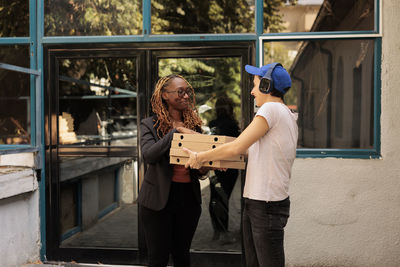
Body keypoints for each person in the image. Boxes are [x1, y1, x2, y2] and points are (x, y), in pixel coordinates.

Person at [184, 63, 298, 267]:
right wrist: (220, 158)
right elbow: (248, 151)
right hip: (259, 202)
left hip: (266, 204)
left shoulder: (270, 109)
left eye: (255, 85)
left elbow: (237, 146)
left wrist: (200, 158)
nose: (252, 92)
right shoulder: (284, 114)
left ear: (266, 86)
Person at [138, 74, 207, 267]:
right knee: (158, 259)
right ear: (165, 95)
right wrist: (175, 133)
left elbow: (200, 168)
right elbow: (149, 155)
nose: (186, 96)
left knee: (182, 256)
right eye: (180, 91)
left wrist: (207, 166)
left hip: (188, 199)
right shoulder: (149, 125)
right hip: (157, 201)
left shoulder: (195, 126)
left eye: (188, 91)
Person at [208, 96, 240, 243]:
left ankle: (217, 231)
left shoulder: (212, 124)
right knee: (225, 198)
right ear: (231, 108)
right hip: (231, 166)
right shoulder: (233, 125)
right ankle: (224, 232)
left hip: (215, 164)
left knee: (214, 197)